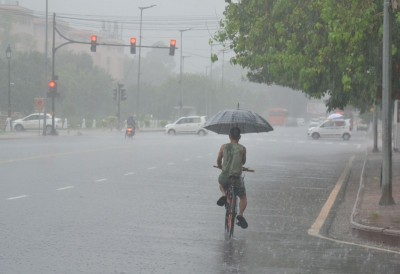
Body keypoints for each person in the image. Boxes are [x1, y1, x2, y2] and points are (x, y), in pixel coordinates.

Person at [216, 127, 248, 229]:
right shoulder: (242, 149)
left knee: (221, 184)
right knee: (242, 197)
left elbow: (218, 160)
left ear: (229, 136)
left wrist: (221, 166)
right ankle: (240, 215)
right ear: (240, 137)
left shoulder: (223, 147)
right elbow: (243, 162)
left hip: (224, 177)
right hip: (236, 179)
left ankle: (224, 194)